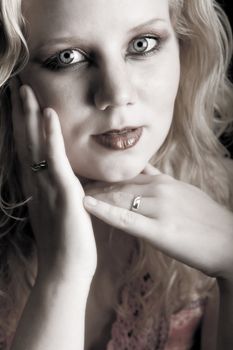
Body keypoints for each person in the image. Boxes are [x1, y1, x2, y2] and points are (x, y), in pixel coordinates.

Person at [0, 0, 233, 349]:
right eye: (68, 58)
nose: (117, 94)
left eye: (143, 44)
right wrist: (63, 273)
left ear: (184, 44)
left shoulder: (225, 198)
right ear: (12, 75)